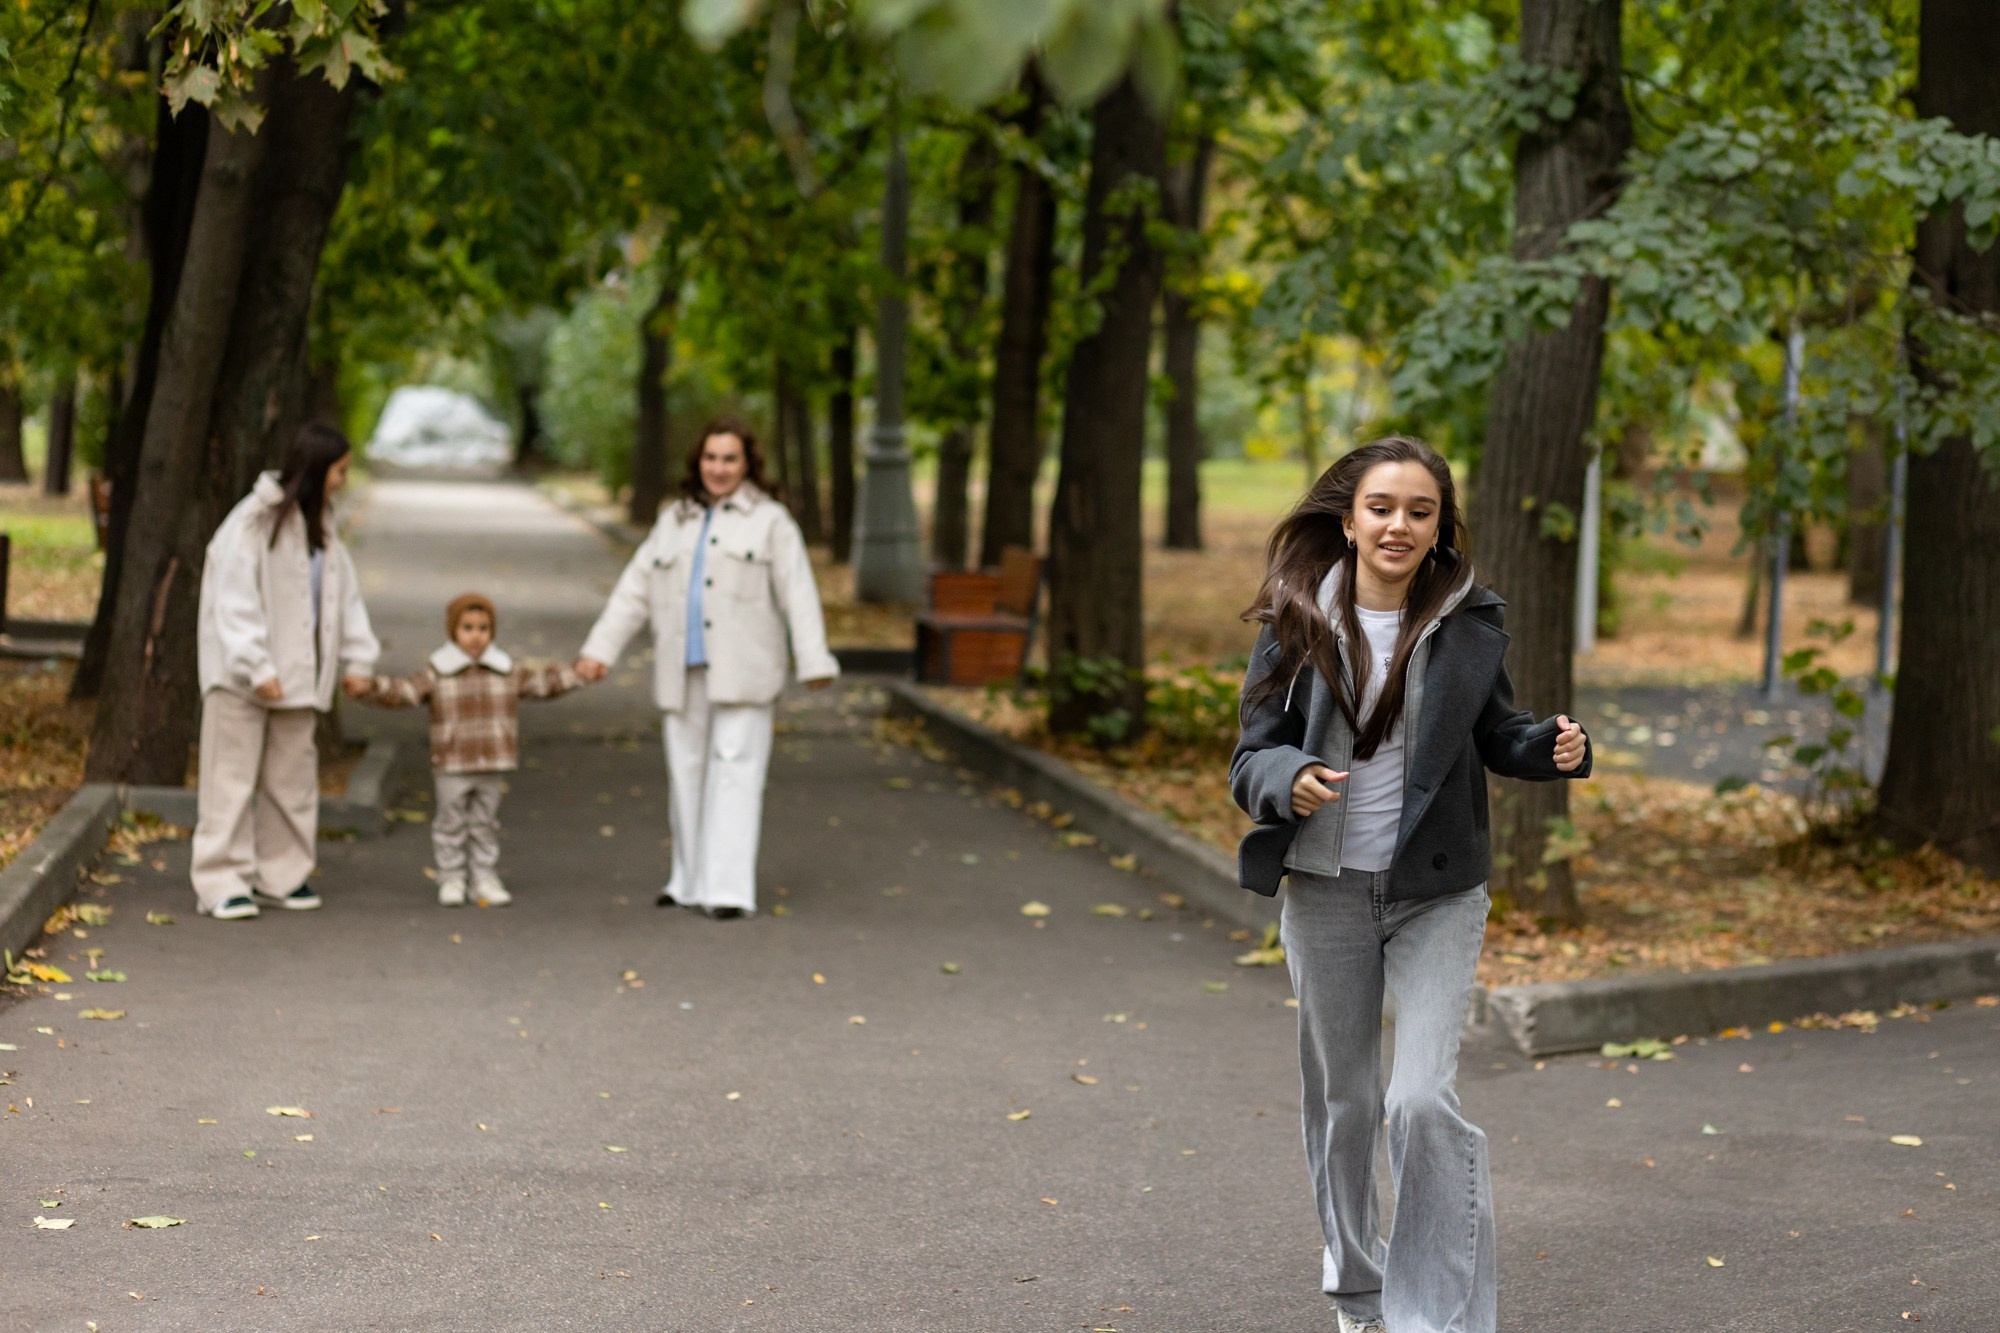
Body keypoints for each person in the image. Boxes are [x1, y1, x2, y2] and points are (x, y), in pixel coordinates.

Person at [1230, 436, 1590, 1333]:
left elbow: (1496, 732)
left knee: (1420, 1099)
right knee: (1346, 1105)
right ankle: (1360, 1296)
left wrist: (1548, 745)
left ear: (1440, 527)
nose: (1399, 524)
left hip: (1436, 890)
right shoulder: (1296, 620)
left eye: (1419, 511)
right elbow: (1251, 755)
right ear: (1349, 521)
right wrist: (1289, 780)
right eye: (1382, 507)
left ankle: (1434, 1319)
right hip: (1327, 886)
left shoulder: (1469, 623)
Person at [576, 418, 838, 919]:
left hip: (746, 669)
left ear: (748, 464)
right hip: (683, 668)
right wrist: (599, 651)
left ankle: (728, 889)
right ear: (698, 462)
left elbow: (798, 592)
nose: (719, 468)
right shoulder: (675, 519)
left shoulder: (771, 521)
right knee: (686, 772)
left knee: (736, 771)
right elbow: (636, 586)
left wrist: (813, 659)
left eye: (730, 459)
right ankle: (688, 881)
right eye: (711, 458)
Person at [192, 423, 380, 921]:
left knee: (292, 782)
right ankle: (221, 880)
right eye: (340, 469)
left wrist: (359, 659)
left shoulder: (323, 525)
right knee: (229, 779)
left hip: (298, 682)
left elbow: (342, 598)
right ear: (319, 469)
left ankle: (282, 874)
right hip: (241, 680)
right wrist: (256, 664)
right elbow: (233, 599)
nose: (344, 478)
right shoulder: (253, 521)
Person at [347, 592, 589, 907]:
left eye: (483, 628)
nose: (476, 636)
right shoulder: (439, 671)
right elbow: (403, 691)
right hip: (453, 761)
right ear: (453, 631)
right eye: (468, 628)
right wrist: (370, 687)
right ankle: (451, 876)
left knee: (485, 821)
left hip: (492, 759)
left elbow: (544, 684)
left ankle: (484, 876)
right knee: (451, 820)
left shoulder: (504, 670)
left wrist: (579, 673)